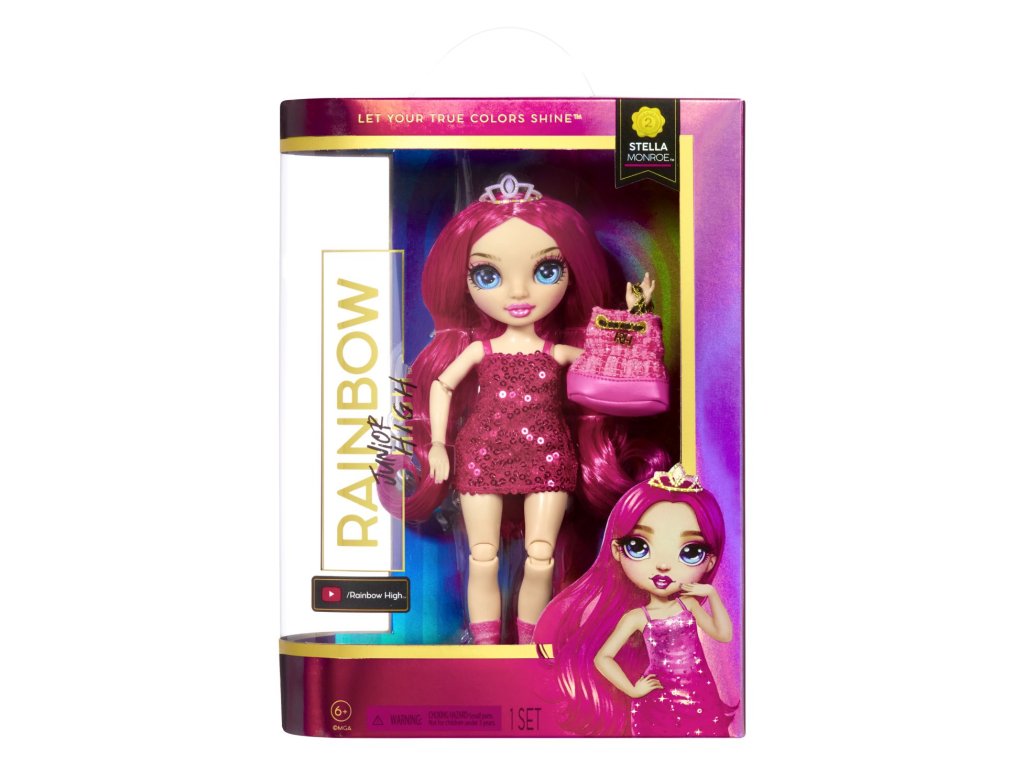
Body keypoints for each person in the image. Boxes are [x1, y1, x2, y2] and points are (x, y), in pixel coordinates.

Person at [396, 173, 666, 644]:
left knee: (541, 556)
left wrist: (635, 317)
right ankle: (485, 648)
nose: (518, 294)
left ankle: (530, 646)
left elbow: (614, 362)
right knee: (483, 557)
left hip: (548, 458)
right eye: (488, 275)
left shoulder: (556, 352)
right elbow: (441, 384)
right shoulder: (479, 349)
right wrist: (438, 444)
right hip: (482, 455)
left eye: (545, 271)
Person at [536, 465, 736, 736]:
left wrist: (712, 594)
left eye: (690, 552)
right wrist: (632, 689)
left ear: (710, 560)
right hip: (657, 702)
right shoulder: (638, 617)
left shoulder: (687, 605)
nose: (663, 565)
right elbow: (603, 658)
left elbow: (723, 635)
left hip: (701, 696)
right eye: (639, 547)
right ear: (617, 550)